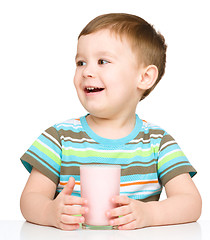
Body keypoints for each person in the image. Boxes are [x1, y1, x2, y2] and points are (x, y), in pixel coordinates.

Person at [20, 13, 202, 231]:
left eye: (102, 61)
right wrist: (49, 212)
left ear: (144, 77)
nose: (87, 71)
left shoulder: (157, 142)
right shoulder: (59, 138)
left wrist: (149, 214)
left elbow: (191, 203)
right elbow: (30, 199)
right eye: (81, 62)